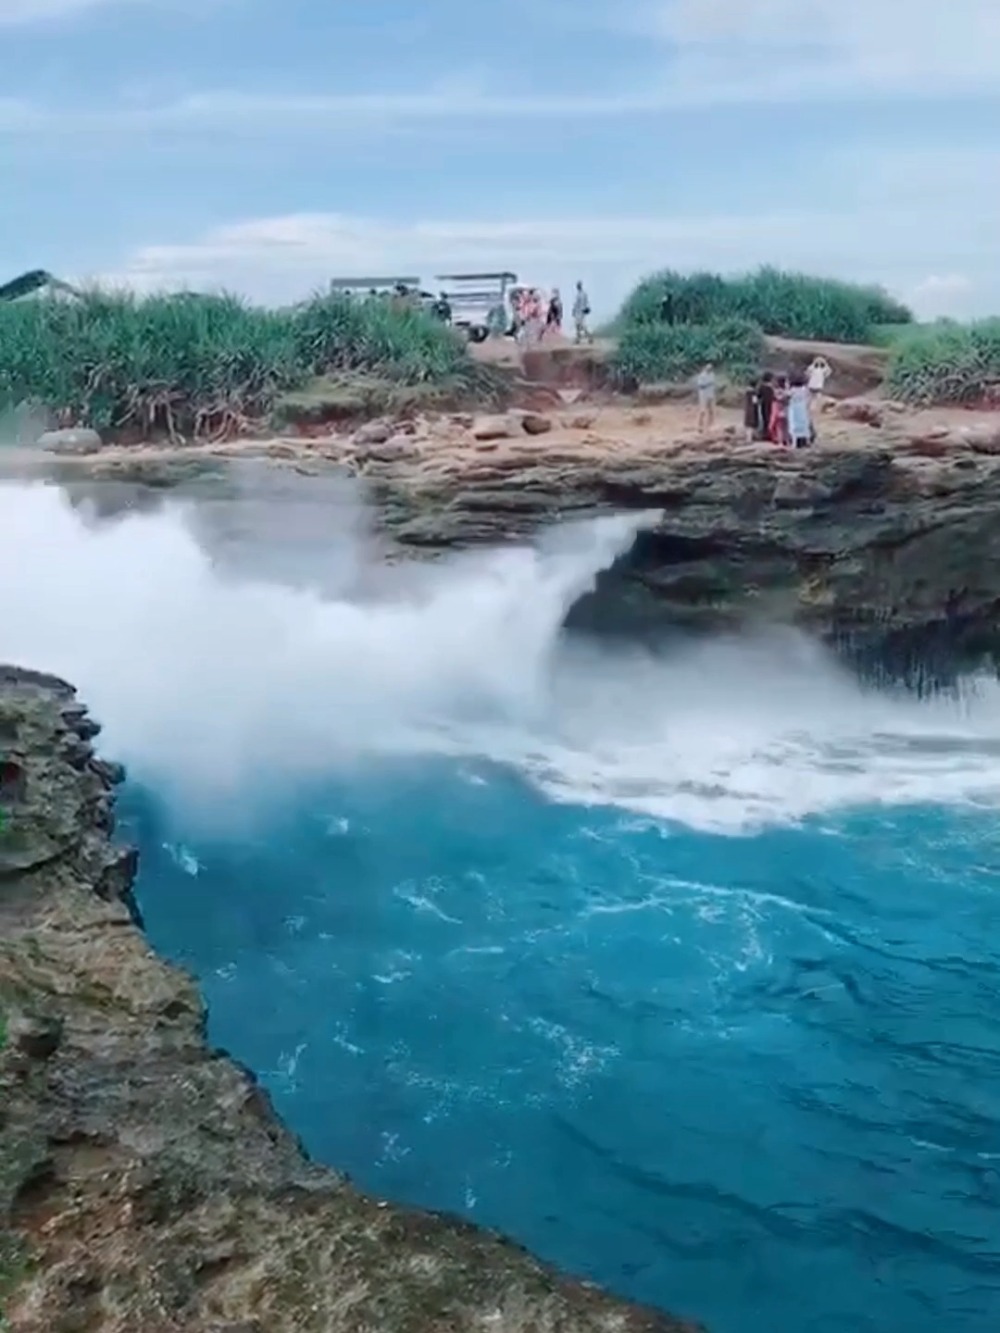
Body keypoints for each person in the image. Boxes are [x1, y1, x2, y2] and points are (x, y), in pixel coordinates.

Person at [787, 375, 813, 447]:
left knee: (794, 424)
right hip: (802, 407)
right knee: (804, 423)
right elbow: (809, 397)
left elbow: (787, 396)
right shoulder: (804, 389)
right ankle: (807, 441)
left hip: (794, 408)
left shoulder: (792, 390)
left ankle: (794, 443)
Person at [769, 374, 790, 445]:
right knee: (785, 427)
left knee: (779, 427)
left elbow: (777, 398)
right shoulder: (786, 391)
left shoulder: (776, 391)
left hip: (779, 410)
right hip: (785, 410)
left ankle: (780, 441)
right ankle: (787, 441)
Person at [696, 362, 716, 432]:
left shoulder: (712, 375)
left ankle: (709, 426)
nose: (710, 369)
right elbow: (700, 386)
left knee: (711, 411)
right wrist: (708, 384)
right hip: (703, 395)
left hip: (710, 395)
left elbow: (713, 385)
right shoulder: (702, 376)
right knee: (702, 411)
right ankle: (700, 426)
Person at [756, 372, 775, 440]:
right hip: (771, 405)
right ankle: (770, 434)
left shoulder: (761, 387)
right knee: (770, 419)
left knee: (765, 419)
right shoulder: (772, 387)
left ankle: (765, 434)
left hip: (764, 404)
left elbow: (758, 395)